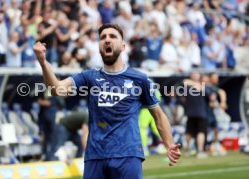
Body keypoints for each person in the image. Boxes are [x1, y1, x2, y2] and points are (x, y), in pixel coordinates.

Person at [34, 23, 181, 178]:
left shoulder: (140, 79)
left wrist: (169, 144)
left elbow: (158, 115)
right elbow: (57, 89)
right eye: (103, 37)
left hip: (128, 155)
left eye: (112, 36)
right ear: (99, 47)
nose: (107, 40)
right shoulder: (89, 77)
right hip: (96, 156)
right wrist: (43, 62)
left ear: (123, 46)